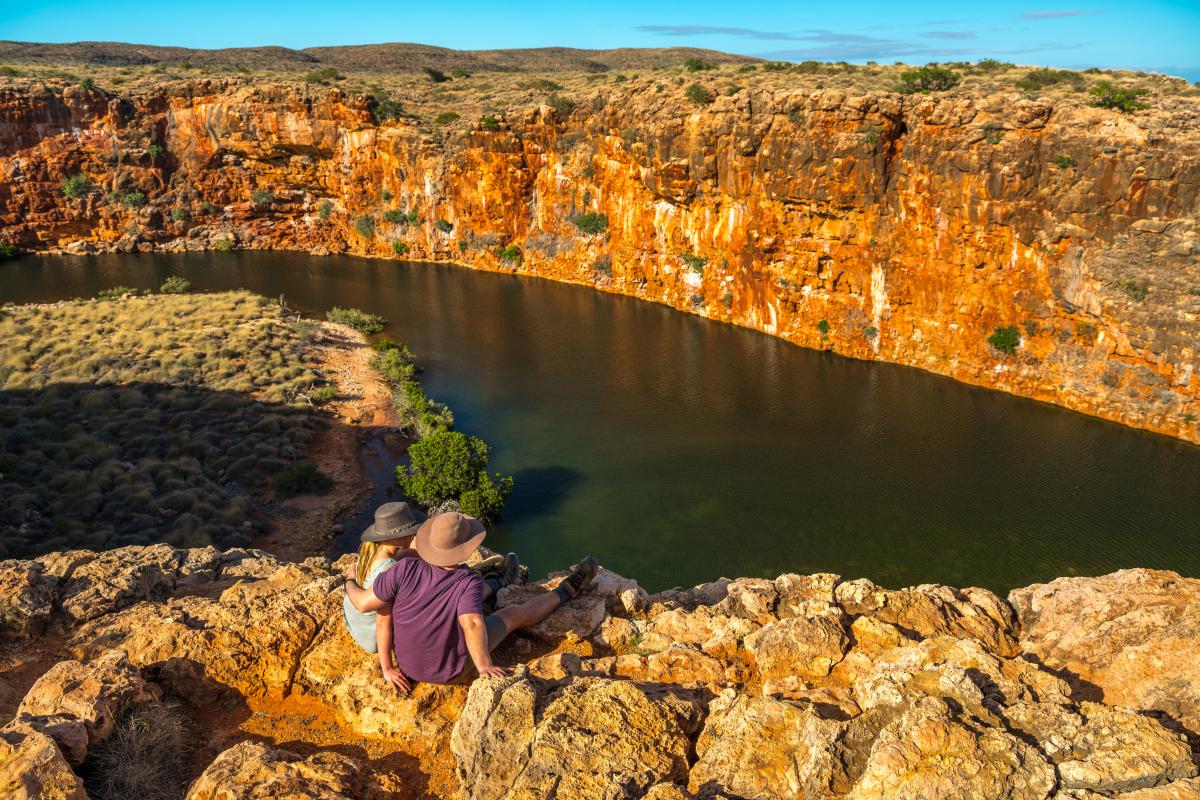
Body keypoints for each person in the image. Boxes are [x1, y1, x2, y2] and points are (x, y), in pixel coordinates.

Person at [344, 511, 597, 691]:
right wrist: (484, 666)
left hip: (408, 666)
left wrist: (349, 582)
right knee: (511, 614)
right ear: (466, 547)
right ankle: (566, 591)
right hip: (450, 671)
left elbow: (371, 610)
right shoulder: (467, 581)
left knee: (467, 601)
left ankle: (499, 582)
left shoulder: (402, 568)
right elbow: (472, 624)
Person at [342, 502, 519, 655]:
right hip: (375, 637)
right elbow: (366, 607)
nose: (414, 535)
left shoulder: (370, 553)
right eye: (410, 532)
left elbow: (412, 551)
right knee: (452, 596)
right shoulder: (390, 570)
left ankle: (474, 573)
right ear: (394, 537)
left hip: (358, 628)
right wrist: (348, 582)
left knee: (426, 558)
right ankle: (496, 583)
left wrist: (439, 549)